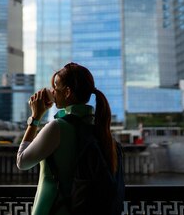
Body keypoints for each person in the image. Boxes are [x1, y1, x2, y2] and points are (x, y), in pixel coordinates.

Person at [16, 62, 121, 215]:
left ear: (67, 92)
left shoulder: (57, 127)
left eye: (56, 86)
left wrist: (35, 117)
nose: (52, 91)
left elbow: (22, 162)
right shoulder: (101, 129)